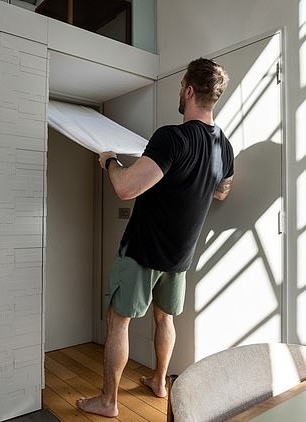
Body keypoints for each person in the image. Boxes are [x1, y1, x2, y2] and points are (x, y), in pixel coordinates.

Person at [77, 58, 234, 418]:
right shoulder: (223, 146)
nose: (180, 92)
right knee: (165, 320)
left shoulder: (172, 137)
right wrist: (196, 185)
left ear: (190, 90)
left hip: (144, 250)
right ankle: (160, 382)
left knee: (118, 320)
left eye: (182, 86)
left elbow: (126, 188)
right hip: (179, 256)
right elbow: (223, 191)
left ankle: (109, 402)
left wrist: (109, 161)